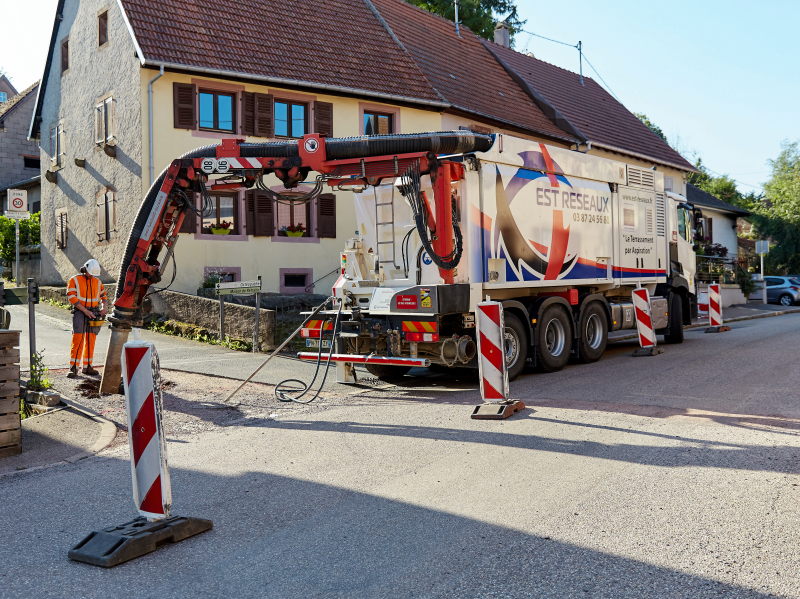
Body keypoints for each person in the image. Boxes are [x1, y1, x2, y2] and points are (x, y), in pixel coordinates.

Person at [66, 259, 107, 378]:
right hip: (80, 312)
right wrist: (85, 310)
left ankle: (87, 366)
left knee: (91, 339)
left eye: (93, 274)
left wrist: (104, 307)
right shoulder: (74, 280)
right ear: (84, 269)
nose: (91, 275)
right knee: (78, 339)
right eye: (89, 273)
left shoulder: (97, 282)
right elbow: (71, 297)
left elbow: (104, 296)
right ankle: (73, 367)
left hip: (93, 313)